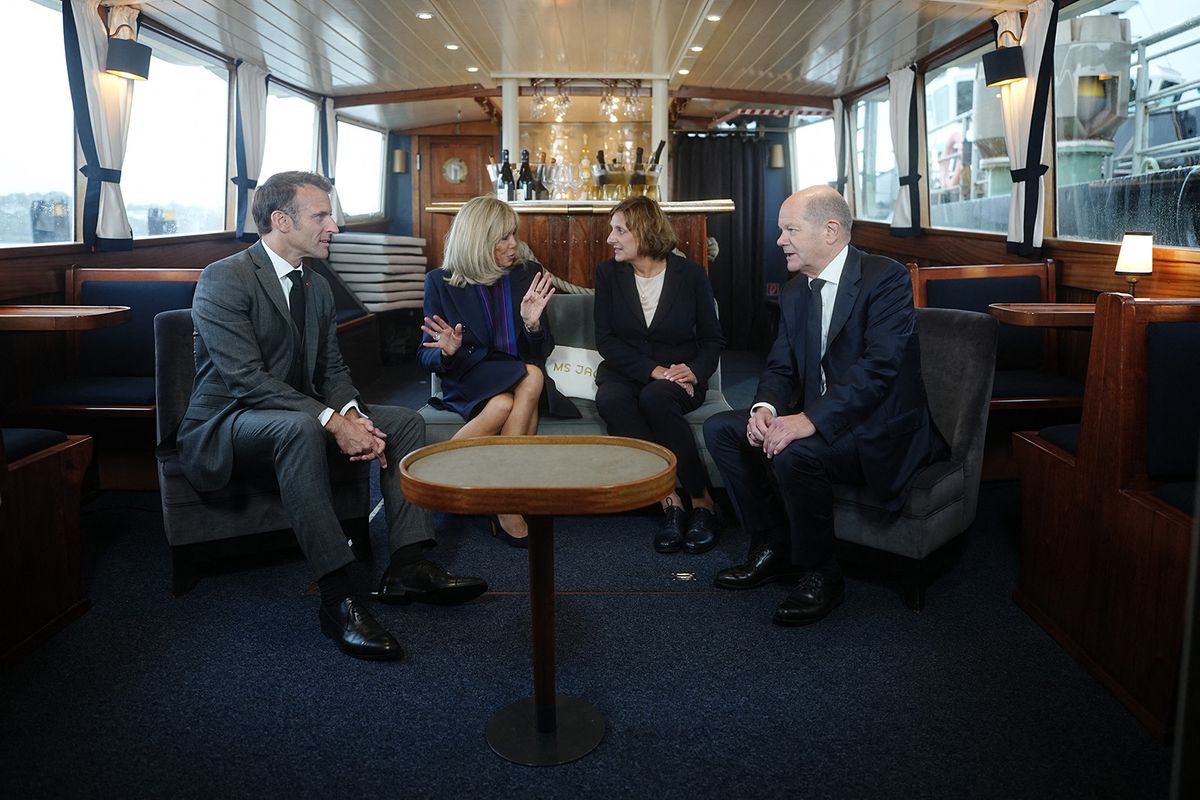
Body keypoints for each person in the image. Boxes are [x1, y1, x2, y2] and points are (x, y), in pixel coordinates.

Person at [178, 171, 487, 662]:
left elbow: (332, 368)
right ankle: (338, 597)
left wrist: (349, 412)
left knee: (406, 421)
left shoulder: (317, 286)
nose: (334, 226)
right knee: (300, 427)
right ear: (281, 221)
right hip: (230, 419)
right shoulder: (225, 277)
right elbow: (245, 380)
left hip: (296, 412)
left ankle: (407, 565)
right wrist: (330, 420)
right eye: (321, 215)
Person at [703, 186, 940, 626]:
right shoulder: (795, 292)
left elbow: (880, 369)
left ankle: (822, 573)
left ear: (831, 231)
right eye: (781, 231)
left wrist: (809, 420)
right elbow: (780, 367)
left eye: (790, 229)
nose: (779, 240)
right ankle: (773, 546)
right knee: (722, 429)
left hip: (876, 427)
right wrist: (765, 410)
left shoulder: (884, 278)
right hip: (823, 418)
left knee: (795, 450)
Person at [419, 195, 578, 547]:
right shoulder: (440, 282)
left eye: (514, 235)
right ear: (479, 239)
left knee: (510, 398)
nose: (514, 245)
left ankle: (446, 477)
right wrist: (448, 351)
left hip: (515, 371)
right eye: (504, 238)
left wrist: (531, 324)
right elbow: (426, 357)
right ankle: (507, 499)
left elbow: (542, 349)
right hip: (470, 374)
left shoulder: (527, 274)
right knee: (531, 377)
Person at [593, 195, 725, 554]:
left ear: (644, 231)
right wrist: (654, 370)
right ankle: (670, 502)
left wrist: (694, 371)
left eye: (619, 230)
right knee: (612, 399)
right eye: (611, 230)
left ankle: (702, 501)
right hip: (626, 371)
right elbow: (606, 340)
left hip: (681, 377)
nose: (610, 239)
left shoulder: (692, 275)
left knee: (657, 397)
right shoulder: (608, 274)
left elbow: (712, 339)